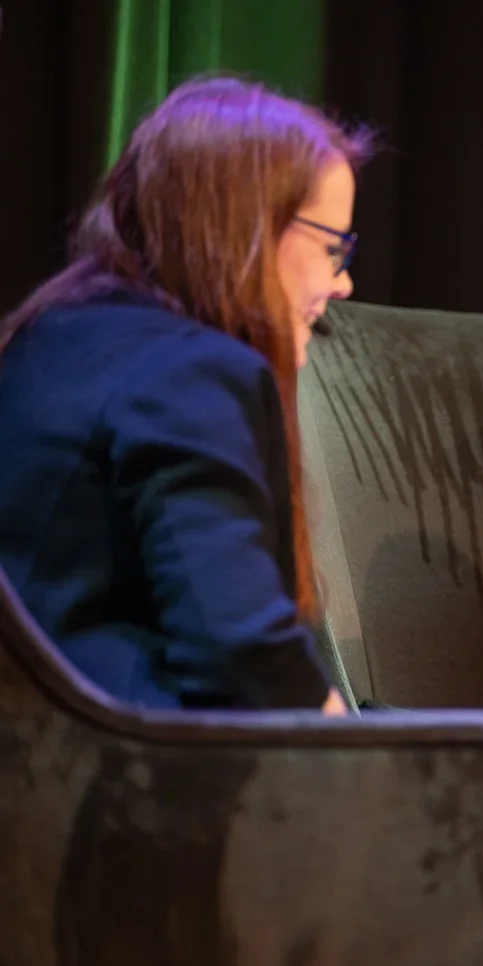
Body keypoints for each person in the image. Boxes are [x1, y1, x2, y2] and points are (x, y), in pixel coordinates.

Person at [0, 77, 368, 713]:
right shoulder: (193, 375)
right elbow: (242, 657)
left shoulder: (50, 332)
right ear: (250, 226)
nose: (344, 283)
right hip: (119, 779)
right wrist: (375, 764)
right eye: (334, 248)